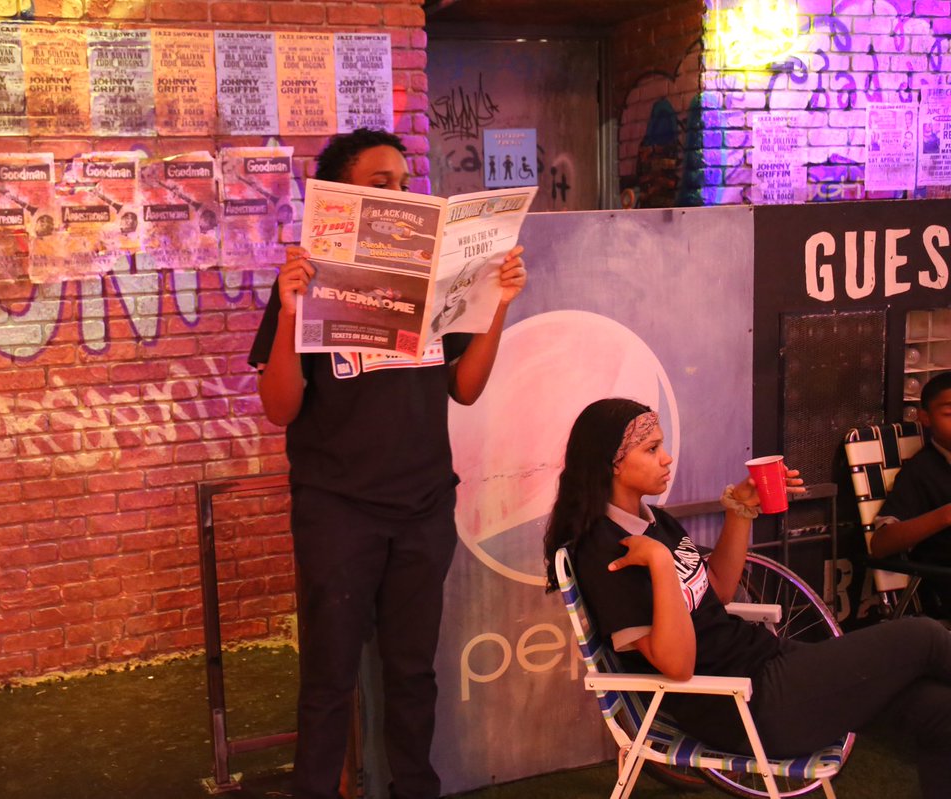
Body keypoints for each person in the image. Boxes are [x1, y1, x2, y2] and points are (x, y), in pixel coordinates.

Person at [248, 127, 527, 799]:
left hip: (424, 506)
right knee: (329, 675)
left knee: (412, 671)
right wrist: (289, 313)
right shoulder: (305, 282)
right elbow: (280, 408)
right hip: (337, 509)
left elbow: (464, 388)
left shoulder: (434, 283)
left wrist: (496, 307)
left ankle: (415, 787)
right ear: (339, 198)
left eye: (405, 184)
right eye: (382, 185)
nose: (400, 194)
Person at [544, 398, 951, 799]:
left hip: (767, 663)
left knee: (938, 709)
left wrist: (740, 511)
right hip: (747, 705)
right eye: (651, 450)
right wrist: (661, 563)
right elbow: (678, 666)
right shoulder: (606, 553)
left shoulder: (655, 522)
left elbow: (717, 590)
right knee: (923, 636)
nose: (666, 458)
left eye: (662, 445)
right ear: (612, 463)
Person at [872, 370, 951, 615]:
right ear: (925, 417)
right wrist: (945, 515)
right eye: (949, 414)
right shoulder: (921, 471)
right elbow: (881, 543)